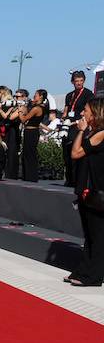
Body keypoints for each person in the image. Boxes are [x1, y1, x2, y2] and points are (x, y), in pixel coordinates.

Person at [68, 97, 104, 286]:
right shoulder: (93, 132)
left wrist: (81, 131)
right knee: (89, 234)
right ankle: (84, 271)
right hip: (86, 189)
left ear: (96, 112)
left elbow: (76, 153)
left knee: (97, 235)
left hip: (97, 191)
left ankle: (94, 276)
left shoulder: (101, 134)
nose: (83, 113)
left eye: (86, 110)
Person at [63, 71, 95, 187]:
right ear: (73, 82)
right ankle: (69, 178)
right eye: (77, 81)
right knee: (66, 152)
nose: (79, 83)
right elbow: (66, 110)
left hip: (79, 125)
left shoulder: (88, 94)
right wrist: (64, 118)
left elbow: (88, 111)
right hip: (68, 125)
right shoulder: (69, 95)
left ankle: (77, 180)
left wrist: (77, 121)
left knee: (75, 151)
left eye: (81, 81)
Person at [17, 89, 47, 182]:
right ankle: (27, 176)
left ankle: (30, 176)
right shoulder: (39, 107)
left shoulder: (37, 108)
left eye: (36, 95)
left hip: (31, 132)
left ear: (41, 96)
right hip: (31, 132)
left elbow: (23, 119)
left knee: (29, 154)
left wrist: (20, 111)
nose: (34, 96)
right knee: (27, 153)